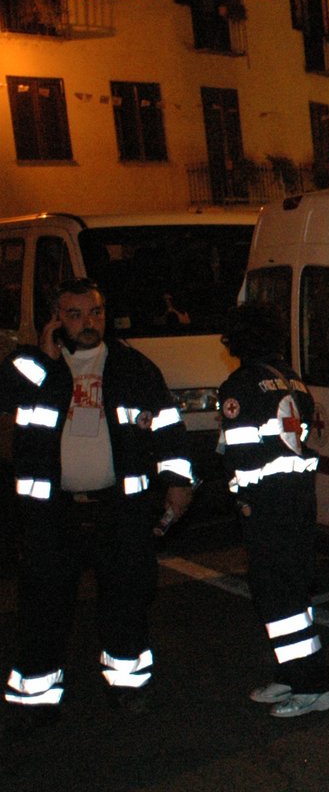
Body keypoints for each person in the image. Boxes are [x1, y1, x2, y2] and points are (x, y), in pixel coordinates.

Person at [2, 277, 195, 722]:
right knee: (42, 606)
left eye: (95, 313)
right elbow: (6, 391)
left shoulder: (133, 367)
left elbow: (168, 428)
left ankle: (128, 687)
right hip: (51, 513)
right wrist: (42, 358)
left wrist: (178, 482)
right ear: (56, 319)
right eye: (74, 314)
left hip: (118, 509)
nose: (88, 323)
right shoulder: (36, 366)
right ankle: (35, 698)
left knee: (127, 600)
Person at [216, 302, 329, 719]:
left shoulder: (240, 386)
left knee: (278, 595)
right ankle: (292, 674)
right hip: (299, 499)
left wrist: (244, 500)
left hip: (266, 506)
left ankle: (313, 685)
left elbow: (243, 452)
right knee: (292, 591)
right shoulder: (293, 382)